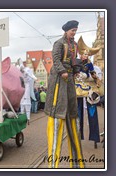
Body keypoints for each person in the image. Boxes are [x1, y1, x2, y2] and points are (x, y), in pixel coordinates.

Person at [44, 20, 84, 168]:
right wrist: (62, 71)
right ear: (66, 31)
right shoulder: (59, 43)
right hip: (60, 80)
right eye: (72, 30)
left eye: (75, 30)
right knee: (58, 109)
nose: (74, 32)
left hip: (70, 80)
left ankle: (77, 164)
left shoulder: (74, 45)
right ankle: (53, 166)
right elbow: (55, 59)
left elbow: (73, 62)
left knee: (72, 114)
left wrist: (79, 66)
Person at [75, 36, 101, 149]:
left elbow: (93, 75)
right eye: (83, 53)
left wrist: (96, 79)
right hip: (78, 91)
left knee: (92, 113)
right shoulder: (76, 63)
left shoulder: (90, 65)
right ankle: (77, 136)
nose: (84, 55)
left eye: (86, 54)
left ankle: (95, 137)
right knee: (78, 114)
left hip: (89, 91)